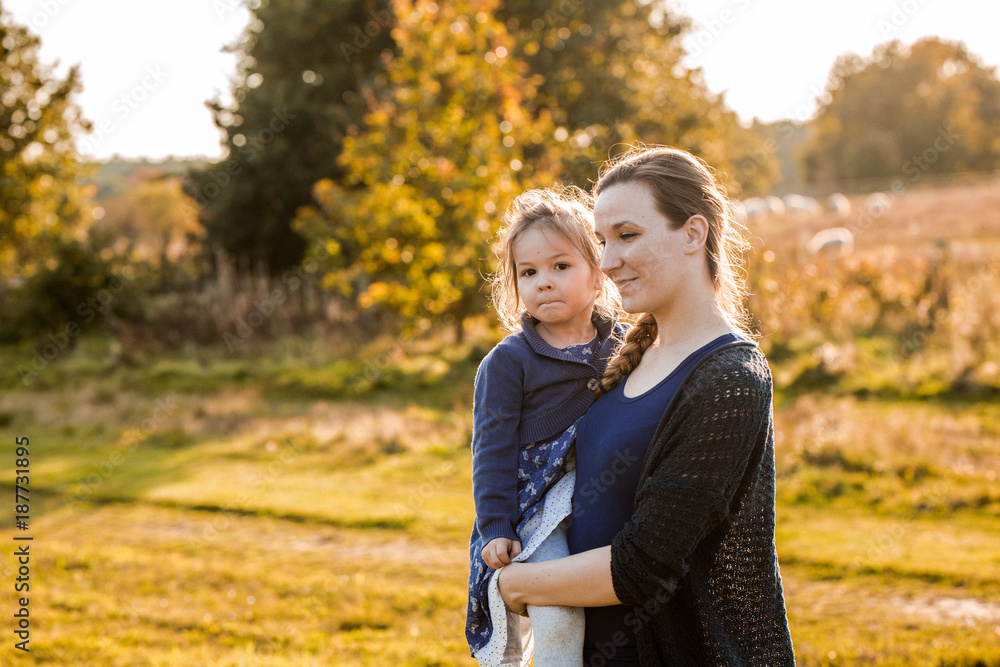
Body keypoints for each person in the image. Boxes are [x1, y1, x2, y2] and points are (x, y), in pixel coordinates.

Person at [496, 146, 795, 666]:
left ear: (693, 234)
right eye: (602, 240)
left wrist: (514, 585)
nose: (608, 261)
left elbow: (642, 566)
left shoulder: (729, 380)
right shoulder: (623, 355)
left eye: (627, 236)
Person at [466, 187, 628, 666]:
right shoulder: (508, 362)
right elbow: (491, 450)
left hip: (604, 493)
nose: (545, 282)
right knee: (557, 611)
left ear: (597, 276)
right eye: (529, 272)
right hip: (538, 507)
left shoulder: (624, 343)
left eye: (561, 266)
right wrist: (495, 525)